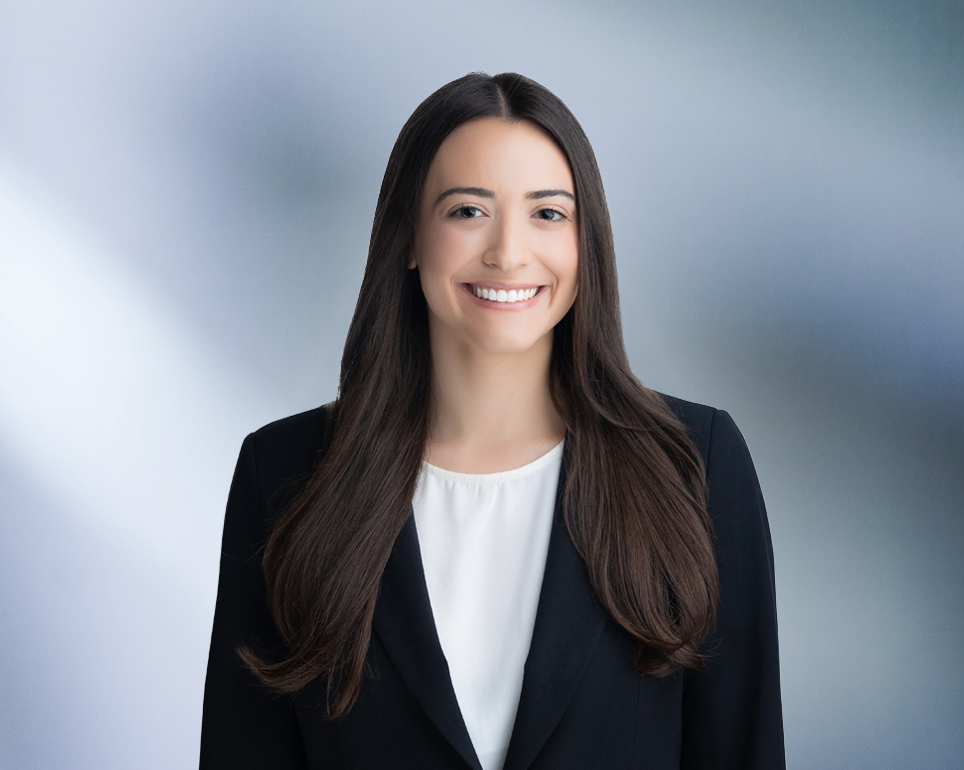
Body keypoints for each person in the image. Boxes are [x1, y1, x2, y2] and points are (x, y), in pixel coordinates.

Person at [200, 72, 783, 770]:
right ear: (409, 237)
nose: (509, 253)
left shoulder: (696, 466)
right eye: (468, 211)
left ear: (584, 243)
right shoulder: (286, 474)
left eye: (548, 214)